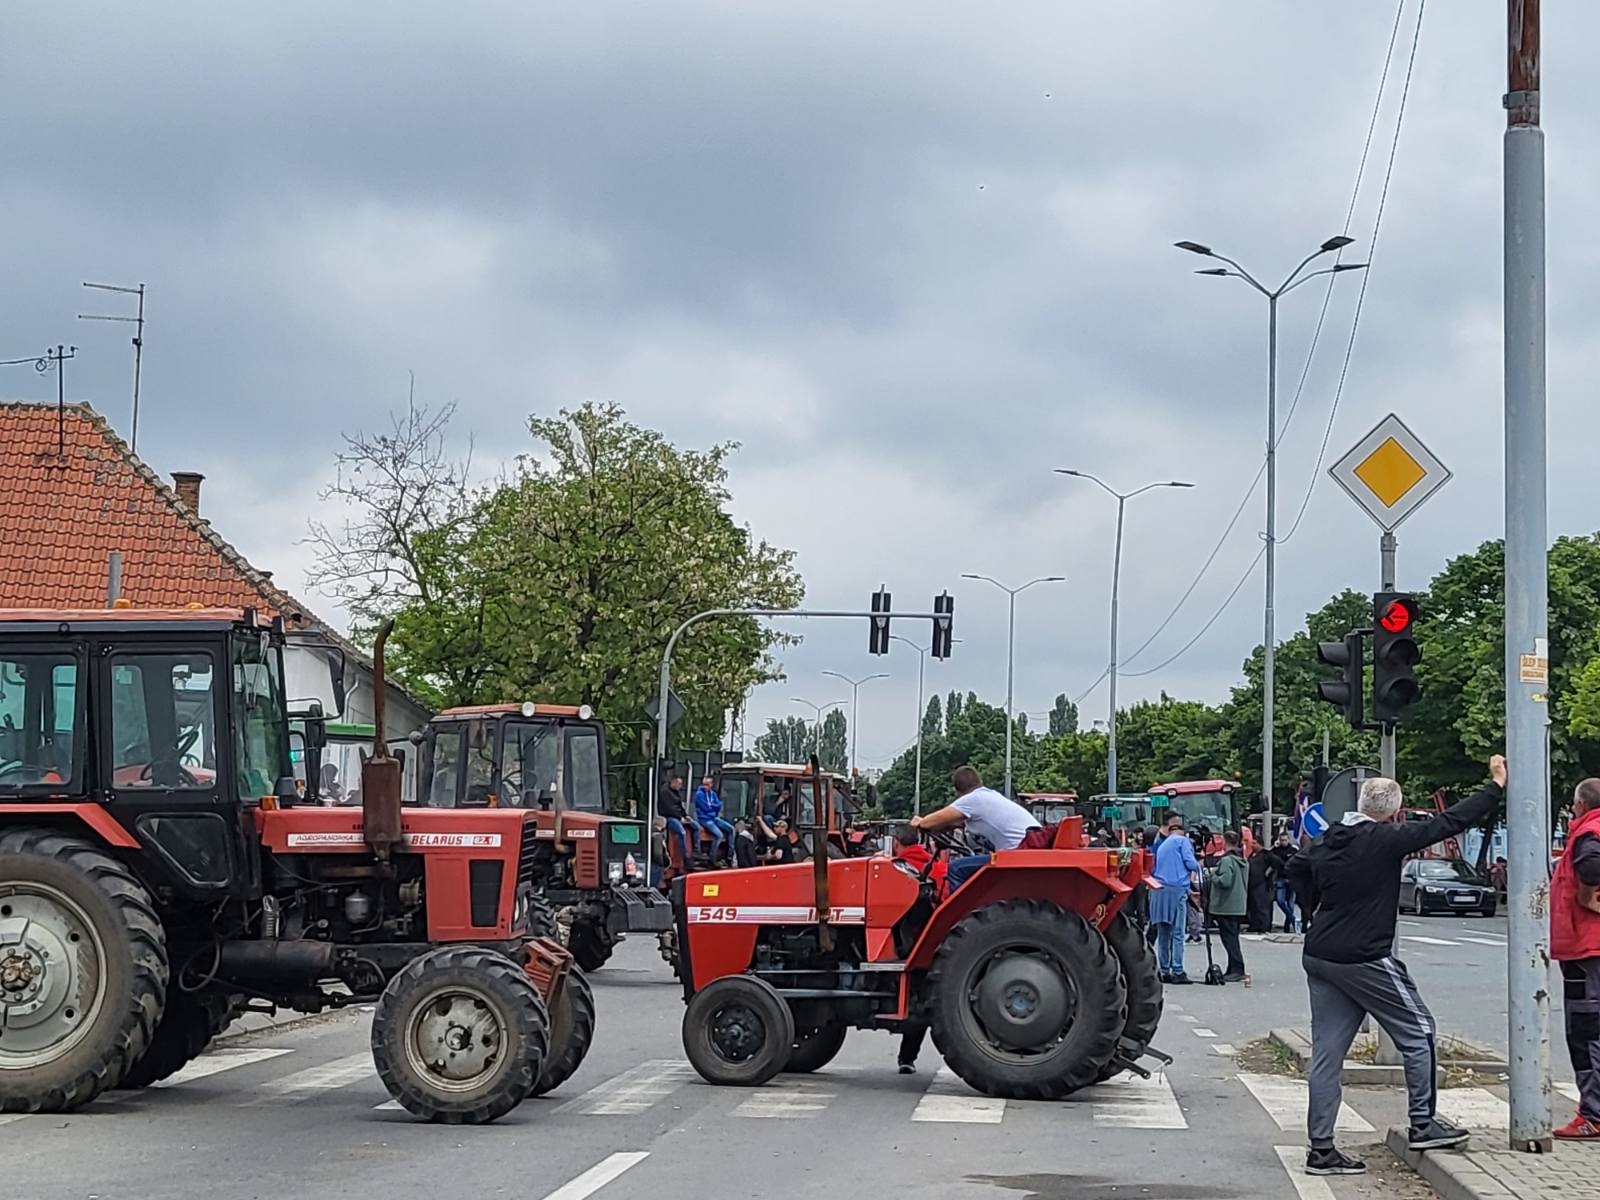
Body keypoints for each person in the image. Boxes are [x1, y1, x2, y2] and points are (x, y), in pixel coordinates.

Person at [1288, 757, 1506, 1176]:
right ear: (1393, 811)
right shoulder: (1386, 839)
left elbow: (1297, 867)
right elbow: (1449, 823)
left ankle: (1322, 1150)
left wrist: (1313, 906)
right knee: (1419, 1030)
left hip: (1320, 954)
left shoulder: (1330, 837)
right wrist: (1495, 786)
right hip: (1363, 956)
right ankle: (1422, 1123)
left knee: (1327, 1055)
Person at [1551, 778, 1600, 1139]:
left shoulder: (1588, 833)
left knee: (1586, 1033)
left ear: (1582, 804)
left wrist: (1588, 897)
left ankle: (1593, 1114)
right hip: (1589, 949)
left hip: (1587, 949)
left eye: (1572, 803)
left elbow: (1591, 867)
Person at [910, 765, 1042, 891]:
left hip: (1014, 855)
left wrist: (920, 821)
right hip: (1027, 850)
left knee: (956, 868)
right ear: (980, 781)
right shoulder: (990, 795)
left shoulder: (972, 800)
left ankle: (960, 913)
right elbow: (962, 822)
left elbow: (928, 822)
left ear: (957, 791)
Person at [1149, 814, 1200, 984]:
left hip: (1159, 890)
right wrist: (1198, 865)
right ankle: (1178, 969)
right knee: (1178, 933)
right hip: (1176, 889)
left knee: (1163, 933)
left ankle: (1164, 970)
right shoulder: (1182, 841)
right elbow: (1190, 863)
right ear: (1182, 831)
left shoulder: (1163, 845)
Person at [1207, 829, 1248, 981]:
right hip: (1238, 905)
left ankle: (1237, 969)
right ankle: (1233, 968)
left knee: (1229, 940)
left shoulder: (1226, 861)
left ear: (1225, 842)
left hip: (1226, 905)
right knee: (1233, 938)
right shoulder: (1242, 860)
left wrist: (1213, 875)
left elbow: (1225, 881)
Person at [658, 773, 698, 868]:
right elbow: (669, 808)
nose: (681, 786)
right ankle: (685, 856)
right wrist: (680, 818)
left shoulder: (676, 792)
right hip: (669, 817)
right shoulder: (664, 792)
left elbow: (679, 805)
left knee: (696, 826)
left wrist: (686, 815)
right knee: (682, 832)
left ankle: (697, 851)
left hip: (679, 816)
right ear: (674, 782)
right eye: (679, 784)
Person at [694, 775, 736, 864]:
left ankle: (729, 855)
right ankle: (712, 857)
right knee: (719, 835)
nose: (705, 786)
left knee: (731, 829)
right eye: (704, 784)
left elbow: (719, 805)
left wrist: (712, 807)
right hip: (705, 819)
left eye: (707, 784)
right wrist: (712, 807)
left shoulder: (713, 794)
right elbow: (705, 807)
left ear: (711, 785)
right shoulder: (699, 794)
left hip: (714, 818)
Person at [1271, 831, 1300, 933]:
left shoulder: (1293, 850)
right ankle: (1292, 918)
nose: (1283, 842)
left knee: (1291, 904)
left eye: (1285, 840)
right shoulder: (1276, 851)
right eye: (1281, 840)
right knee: (1280, 900)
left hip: (1292, 879)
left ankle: (1287, 926)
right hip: (1280, 878)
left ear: (1288, 840)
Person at [1247, 839, 1276, 934]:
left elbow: (1278, 863)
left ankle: (1265, 926)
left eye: (1254, 843)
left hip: (1262, 884)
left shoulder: (1266, 854)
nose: (1252, 845)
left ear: (1260, 844)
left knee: (1262, 906)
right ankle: (1254, 925)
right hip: (1252, 884)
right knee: (1253, 906)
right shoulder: (1251, 855)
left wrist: (1269, 871)